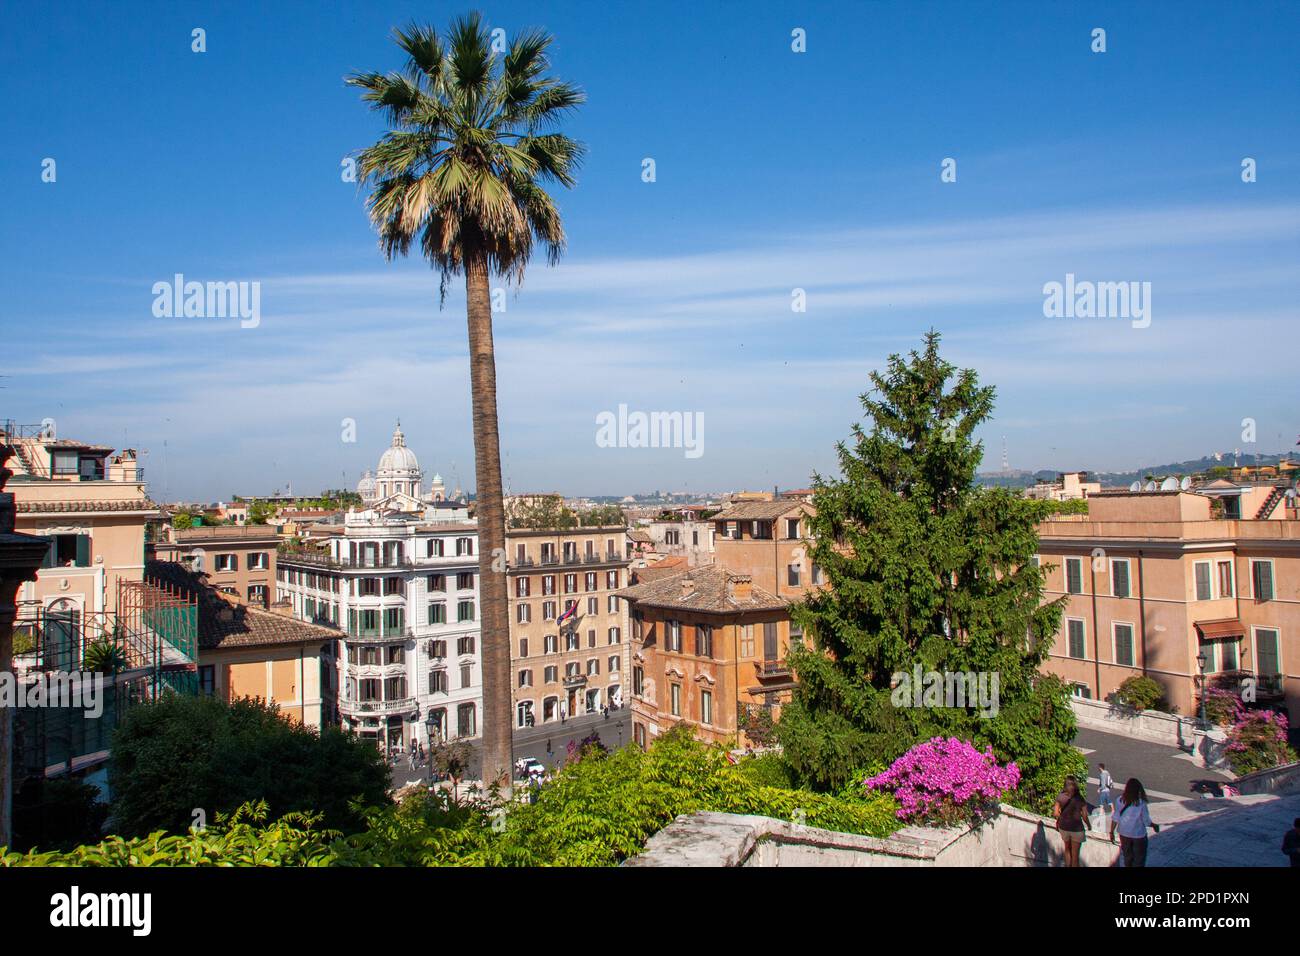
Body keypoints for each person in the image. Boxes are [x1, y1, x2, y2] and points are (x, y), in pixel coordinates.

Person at [1110, 778, 1159, 867]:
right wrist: (1154, 825)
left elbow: (1115, 817)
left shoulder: (1120, 800)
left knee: (1127, 858)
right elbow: (1146, 821)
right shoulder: (1141, 803)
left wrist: (1111, 832)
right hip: (1138, 835)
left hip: (1124, 833)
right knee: (1139, 860)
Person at [1053, 775, 1092, 867]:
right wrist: (1089, 826)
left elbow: (1055, 813)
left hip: (1064, 827)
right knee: (1075, 856)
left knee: (1067, 850)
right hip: (1077, 829)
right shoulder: (1080, 799)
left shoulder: (1060, 797)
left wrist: (1062, 817)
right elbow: (1085, 816)